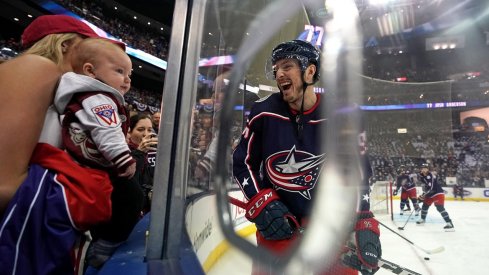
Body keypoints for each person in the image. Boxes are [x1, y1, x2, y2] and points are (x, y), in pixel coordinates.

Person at [232, 40, 381, 275]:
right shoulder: (263, 112)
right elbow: (242, 162)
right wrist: (261, 201)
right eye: (276, 68)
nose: (279, 73)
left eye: (287, 66)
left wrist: (363, 215)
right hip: (279, 222)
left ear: (310, 71)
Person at [0, 15, 123, 275]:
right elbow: (4, 184)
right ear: (67, 44)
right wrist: (73, 200)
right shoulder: (37, 66)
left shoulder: (71, 94)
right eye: (90, 47)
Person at [52, 37, 146, 268]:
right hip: (93, 165)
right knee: (132, 195)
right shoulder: (99, 98)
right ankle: (106, 244)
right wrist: (124, 159)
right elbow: (107, 131)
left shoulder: (89, 96)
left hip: (83, 166)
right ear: (90, 71)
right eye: (119, 71)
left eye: (129, 74)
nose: (127, 79)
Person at [127, 113, 159, 213]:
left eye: (149, 130)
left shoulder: (155, 151)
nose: (146, 134)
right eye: (140, 129)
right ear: (130, 132)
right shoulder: (123, 152)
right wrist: (139, 152)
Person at [416, 163, 455, 231]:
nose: (424, 169)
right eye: (423, 168)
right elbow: (425, 187)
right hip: (430, 194)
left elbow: (430, 188)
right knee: (425, 206)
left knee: (440, 207)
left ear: (428, 169)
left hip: (437, 193)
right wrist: (423, 196)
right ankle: (422, 219)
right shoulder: (421, 176)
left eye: (426, 168)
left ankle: (449, 223)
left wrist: (422, 196)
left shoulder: (430, 176)